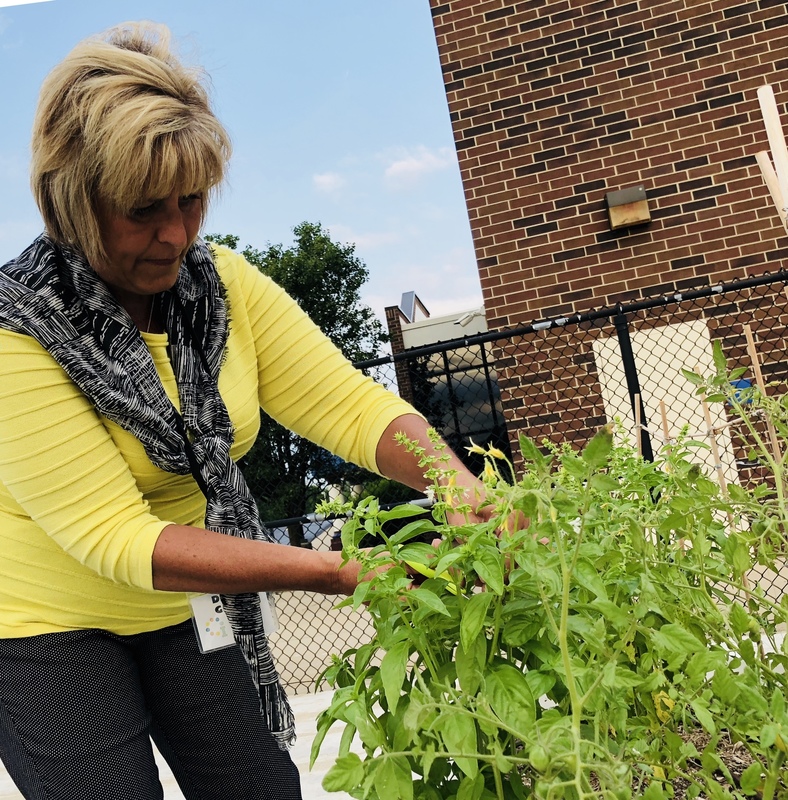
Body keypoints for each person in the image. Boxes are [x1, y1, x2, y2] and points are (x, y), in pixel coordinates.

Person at [0, 21, 489, 800]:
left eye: (192, 200)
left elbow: (352, 407)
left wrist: (458, 484)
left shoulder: (219, 285)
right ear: (75, 201)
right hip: (44, 621)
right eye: (143, 209)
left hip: (187, 599)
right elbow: (115, 538)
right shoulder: (16, 326)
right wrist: (334, 570)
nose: (176, 234)